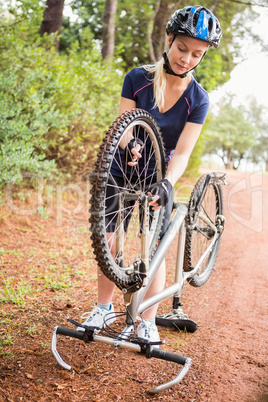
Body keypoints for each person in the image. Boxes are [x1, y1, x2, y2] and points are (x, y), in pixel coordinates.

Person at [80, 6, 222, 342]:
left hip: (161, 174)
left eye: (197, 54)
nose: (187, 59)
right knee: (110, 241)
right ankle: (102, 308)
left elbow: (184, 151)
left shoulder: (198, 99)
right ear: (169, 39)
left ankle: (147, 319)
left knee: (153, 247)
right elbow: (123, 123)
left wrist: (168, 182)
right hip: (122, 167)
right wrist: (131, 144)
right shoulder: (136, 78)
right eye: (182, 48)